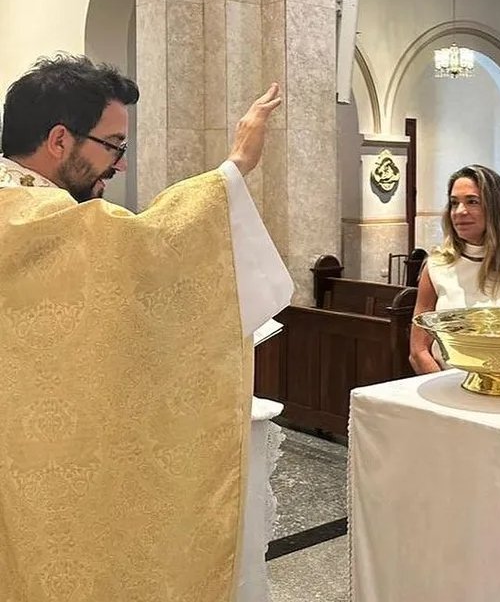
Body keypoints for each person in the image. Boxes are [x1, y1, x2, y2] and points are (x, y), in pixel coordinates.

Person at [0, 55, 294, 600]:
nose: (121, 165)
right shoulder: (34, 219)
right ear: (60, 140)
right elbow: (149, 251)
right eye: (114, 146)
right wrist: (233, 168)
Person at [409, 164, 500, 374]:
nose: (460, 212)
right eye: (454, 203)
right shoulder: (435, 267)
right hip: (447, 388)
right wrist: (447, 390)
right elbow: (419, 351)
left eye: (472, 202)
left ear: (495, 208)